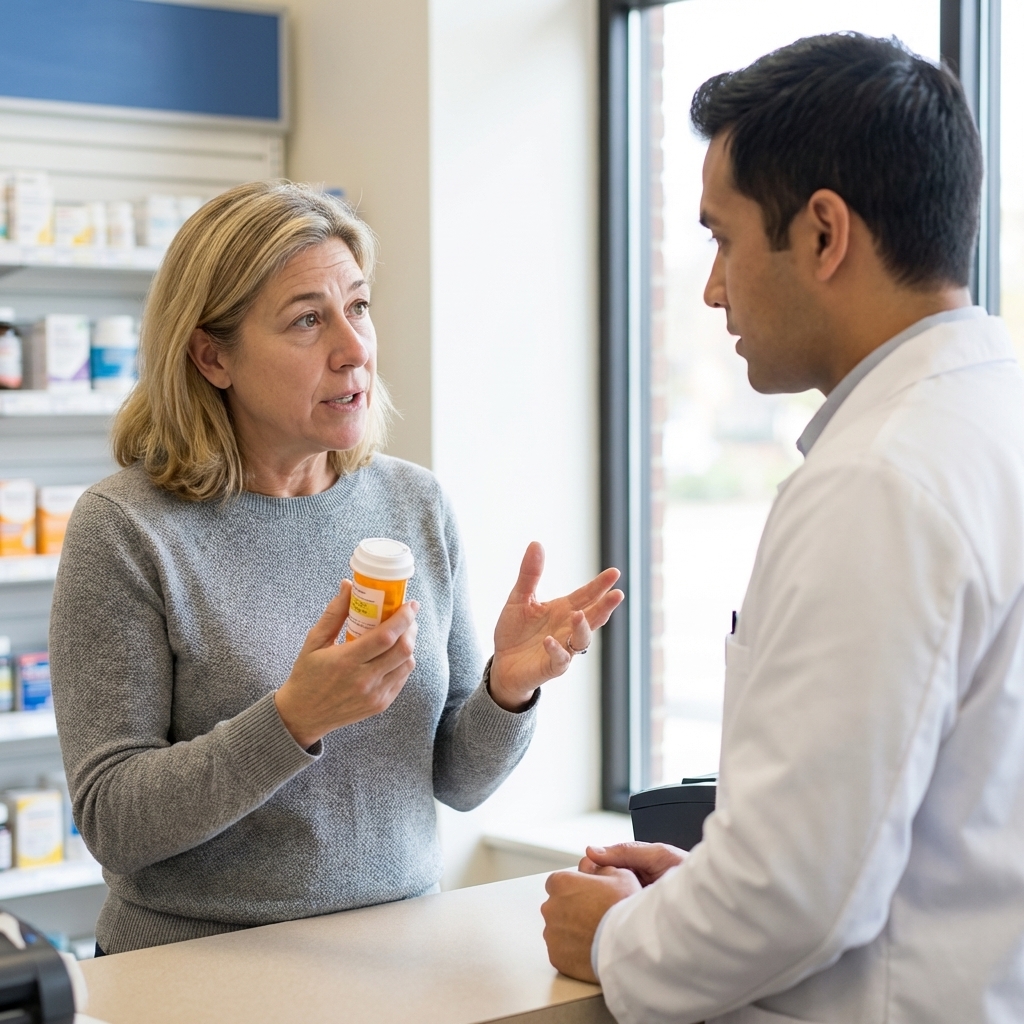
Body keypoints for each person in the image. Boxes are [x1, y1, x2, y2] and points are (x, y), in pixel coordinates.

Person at [542, 33, 1024, 1023]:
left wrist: (615, 933)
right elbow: (925, 819)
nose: (712, 286)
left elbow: (797, 898)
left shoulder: (881, 479)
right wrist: (709, 882)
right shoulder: (990, 418)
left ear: (820, 234)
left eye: (720, 238)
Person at [49, 180, 623, 955]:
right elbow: (114, 821)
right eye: (308, 320)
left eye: (357, 307)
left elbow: (457, 781)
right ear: (212, 355)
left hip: (397, 959)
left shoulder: (414, 503)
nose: (353, 349)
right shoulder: (126, 529)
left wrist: (507, 689)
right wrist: (294, 718)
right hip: (193, 973)